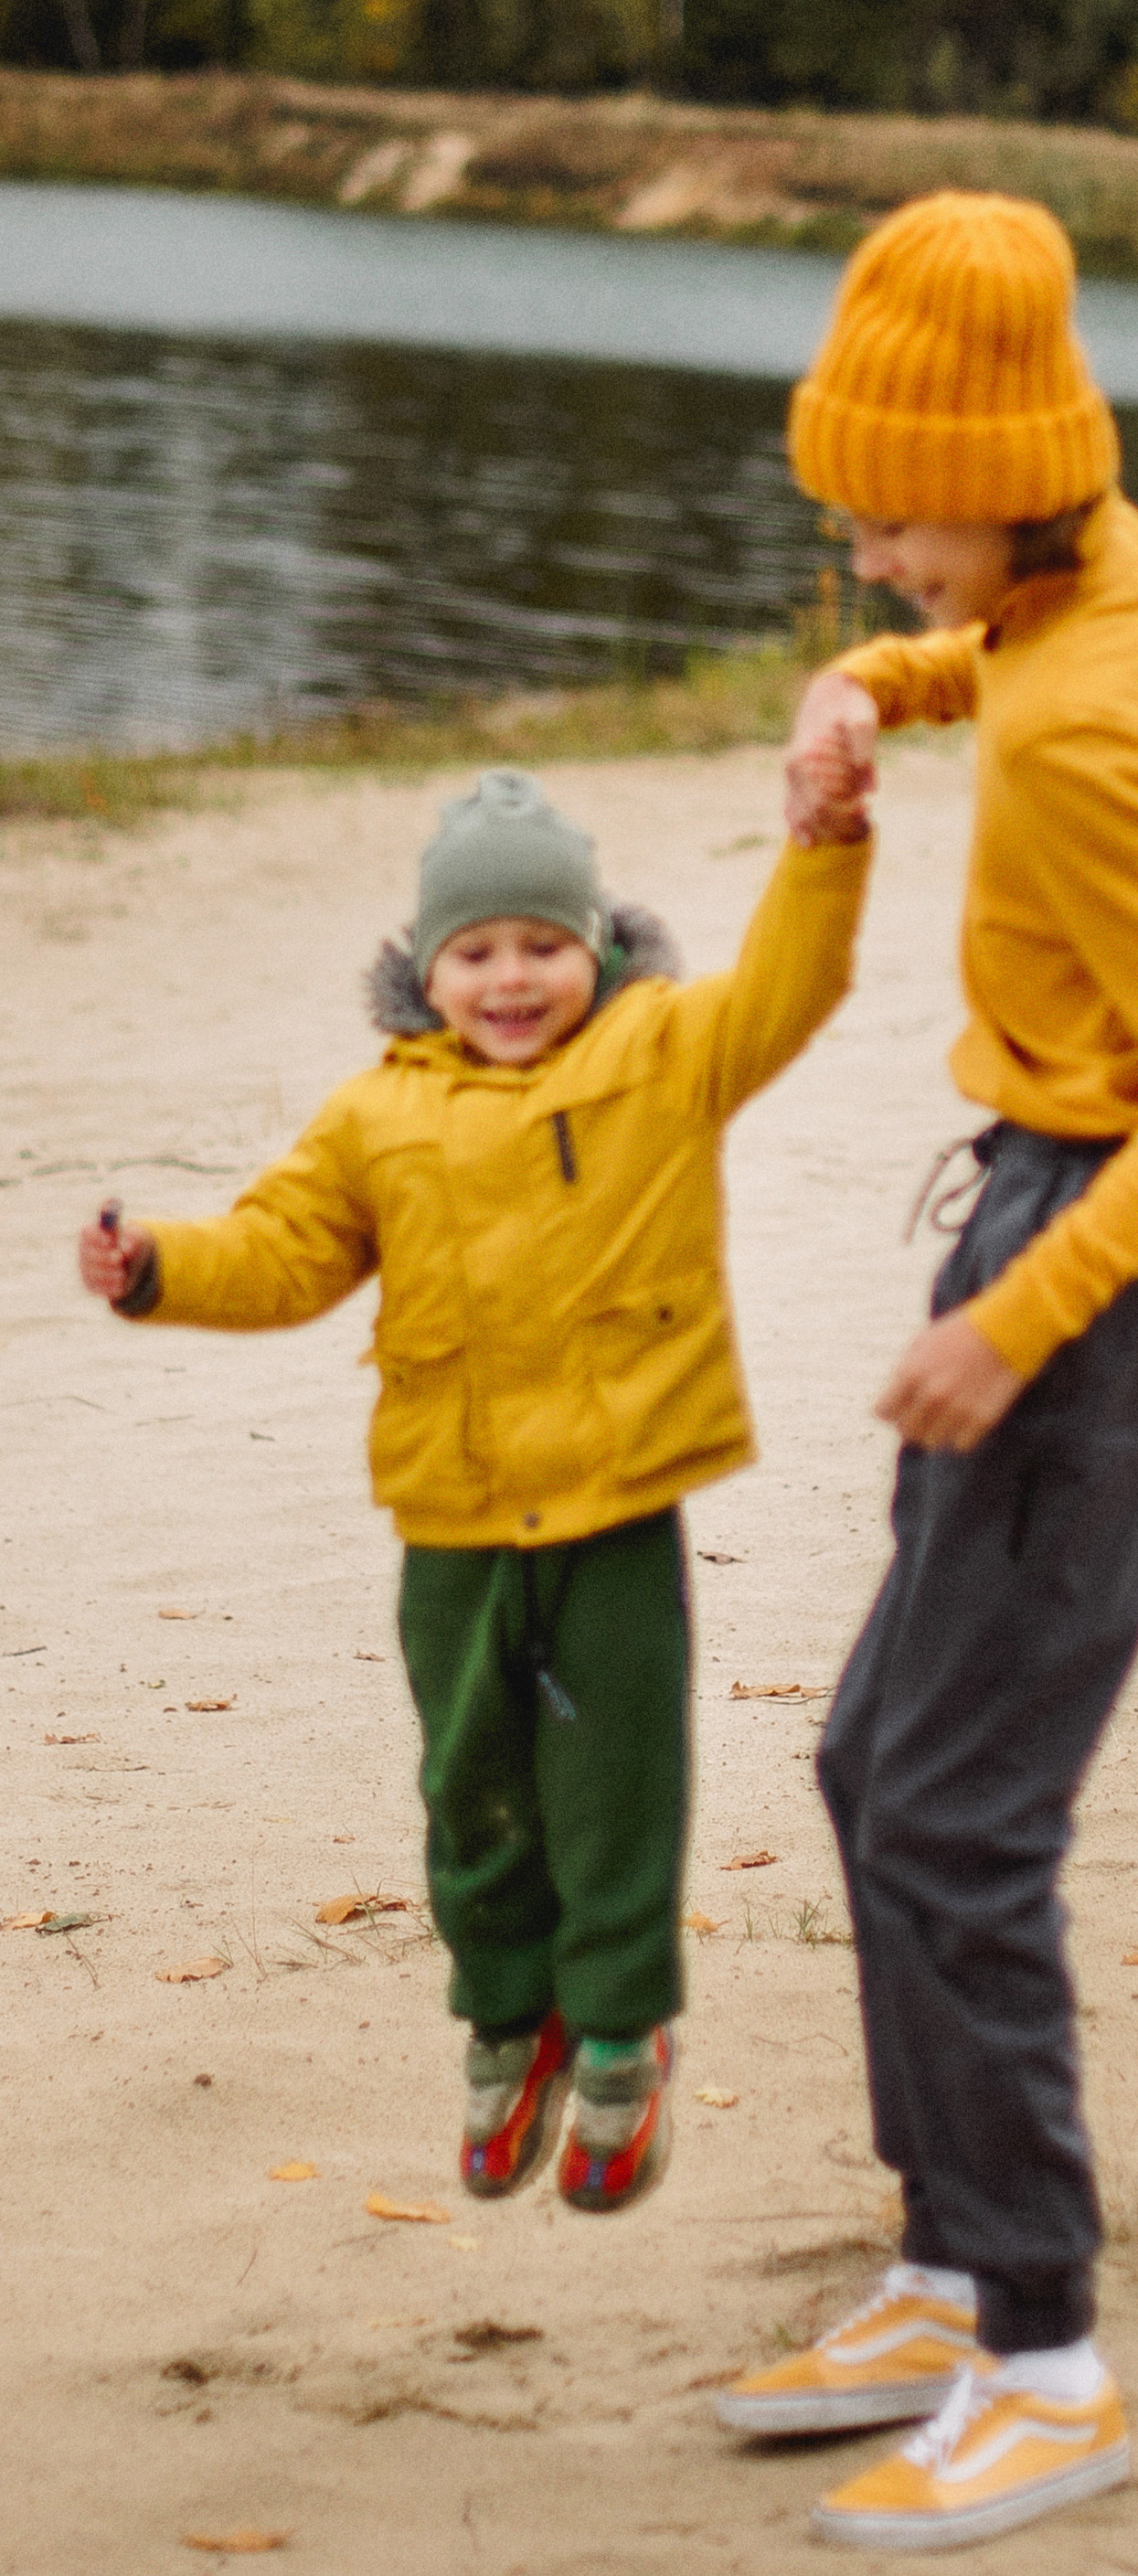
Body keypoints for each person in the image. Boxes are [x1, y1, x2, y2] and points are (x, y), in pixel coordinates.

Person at [713, 192, 1138, 2549]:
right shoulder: (1107, 565)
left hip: (1114, 1259)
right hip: (1063, 1211)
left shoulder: (1083, 723)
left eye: (883, 520)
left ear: (999, 475)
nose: (860, 554)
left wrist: (1007, 1315)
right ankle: (951, 2262)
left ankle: (1047, 2357)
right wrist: (883, 690)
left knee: (955, 1818)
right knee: (876, 1759)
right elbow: (1019, 648)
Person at [78, 765, 871, 2215]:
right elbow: (285, 1249)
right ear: (428, 969)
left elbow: (792, 988)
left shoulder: (665, 1051)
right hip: (451, 1513)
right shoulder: (377, 1114)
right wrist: (162, 1270)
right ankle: (512, 2019)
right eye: (477, 950)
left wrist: (826, 849)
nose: (512, 977)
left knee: (616, 1782)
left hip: (619, 1504)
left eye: (542, 945)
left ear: (598, 945)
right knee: (470, 1782)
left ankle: (623, 2036)